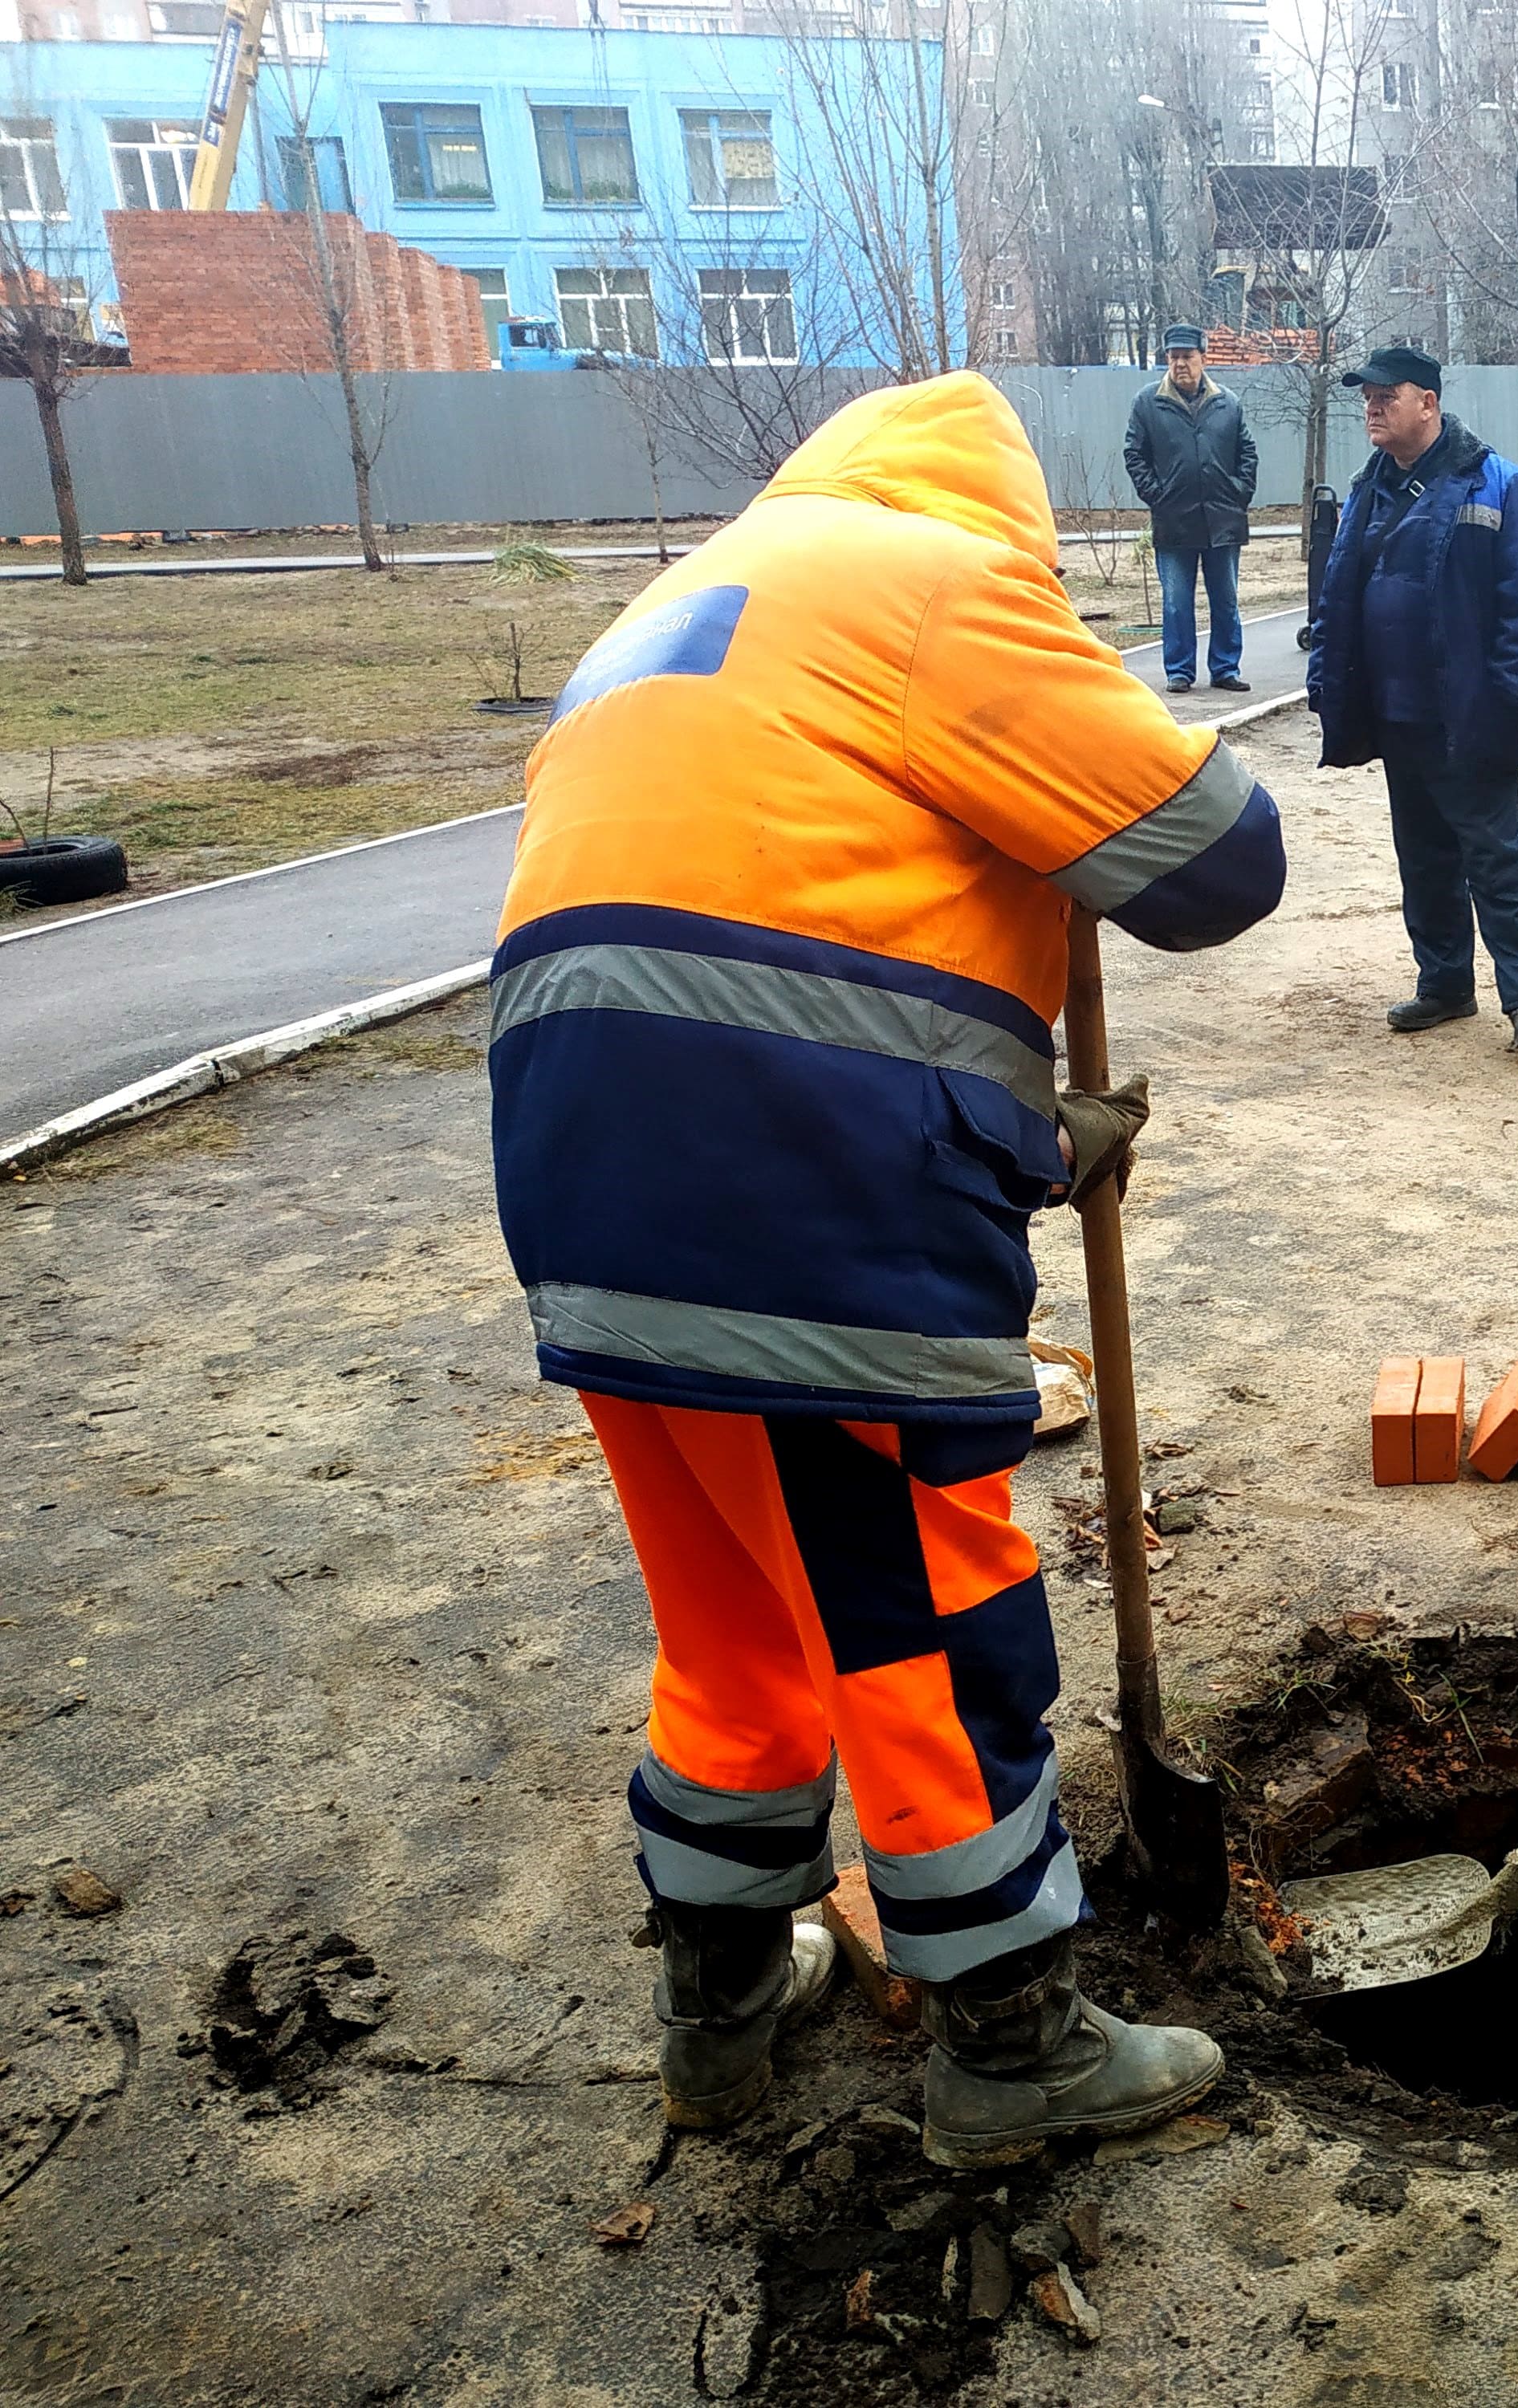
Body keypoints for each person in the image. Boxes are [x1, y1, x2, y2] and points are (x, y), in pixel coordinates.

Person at [490, 372, 1287, 2165]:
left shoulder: (691, 600)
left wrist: (1012, 1136)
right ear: (1001, 518)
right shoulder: (939, 584)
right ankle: (1009, 2050)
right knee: (927, 1640)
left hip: (584, 1179)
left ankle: (725, 2004)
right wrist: (1077, 726)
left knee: (733, 1631)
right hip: (788, 1210)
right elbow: (1222, 862)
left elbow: (791, 918)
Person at [1306, 344, 1518, 1056]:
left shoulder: (1498, 485)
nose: (1373, 406)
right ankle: (1445, 983)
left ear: (1429, 402)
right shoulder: (1367, 489)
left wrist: (1510, 697)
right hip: (1397, 714)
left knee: (1496, 856)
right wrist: (1331, 683)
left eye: (1388, 395)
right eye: (1367, 397)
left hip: (1469, 716)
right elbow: (1337, 595)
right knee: (1422, 857)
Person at [1124, 323, 1257, 694]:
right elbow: (1134, 455)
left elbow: (1247, 453)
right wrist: (1158, 496)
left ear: (1203, 357)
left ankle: (1226, 668)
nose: (1180, 364)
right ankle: (1179, 671)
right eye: (1174, 357)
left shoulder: (1227, 402)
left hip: (1223, 519)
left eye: (1188, 356)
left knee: (1226, 600)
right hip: (1174, 521)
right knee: (1177, 603)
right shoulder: (1148, 403)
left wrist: (1239, 492)